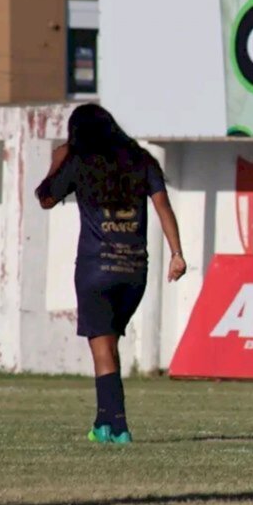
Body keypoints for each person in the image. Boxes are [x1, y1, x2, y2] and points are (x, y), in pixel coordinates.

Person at [35, 104, 186, 444]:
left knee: (103, 351)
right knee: (110, 345)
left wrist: (58, 160)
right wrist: (176, 254)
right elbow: (163, 207)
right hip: (134, 270)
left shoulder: (79, 161)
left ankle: (117, 427)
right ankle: (102, 423)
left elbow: (45, 198)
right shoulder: (141, 160)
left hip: (96, 268)